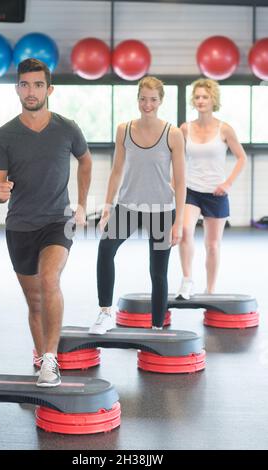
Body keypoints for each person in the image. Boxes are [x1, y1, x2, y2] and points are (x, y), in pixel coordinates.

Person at [0, 58, 92, 387]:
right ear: (16, 89)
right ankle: (39, 352)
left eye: (37, 85)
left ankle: (50, 360)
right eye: (24, 84)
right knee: (34, 301)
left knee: (50, 280)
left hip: (56, 221)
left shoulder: (67, 127)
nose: (30, 91)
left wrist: (80, 204)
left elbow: (85, 161)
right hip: (20, 225)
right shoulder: (4, 134)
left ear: (49, 89)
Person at [89, 76, 186, 335]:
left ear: (161, 101)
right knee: (105, 250)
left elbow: (181, 180)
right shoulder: (124, 129)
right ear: (137, 99)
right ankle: (104, 313)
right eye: (143, 99)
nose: (147, 104)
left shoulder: (173, 134)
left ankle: (156, 326)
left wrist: (179, 222)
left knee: (158, 272)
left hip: (162, 210)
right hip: (128, 206)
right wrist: (108, 205)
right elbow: (117, 169)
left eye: (153, 99)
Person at [176, 78, 247, 300]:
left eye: (205, 97)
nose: (200, 100)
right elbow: (176, 160)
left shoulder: (224, 129)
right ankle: (187, 281)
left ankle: (210, 290)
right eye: (197, 97)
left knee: (213, 245)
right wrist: (174, 183)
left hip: (216, 193)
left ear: (213, 99)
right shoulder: (185, 129)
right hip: (191, 190)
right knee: (186, 231)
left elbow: (241, 158)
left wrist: (227, 183)